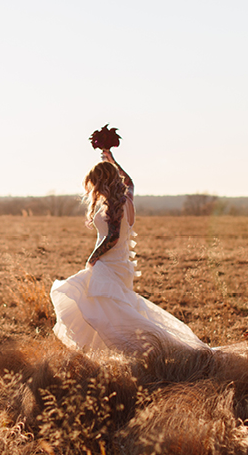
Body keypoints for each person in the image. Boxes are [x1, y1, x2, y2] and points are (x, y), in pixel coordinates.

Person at [50, 149, 213, 354]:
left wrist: (93, 258)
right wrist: (113, 160)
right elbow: (131, 183)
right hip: (120, 264)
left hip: (108, 265)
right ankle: (112, 348)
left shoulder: (112, 205)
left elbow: (113, 237)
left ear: (101, 182)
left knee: (80, 294)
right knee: (111, 309)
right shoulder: (126, 200)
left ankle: (136, 346)